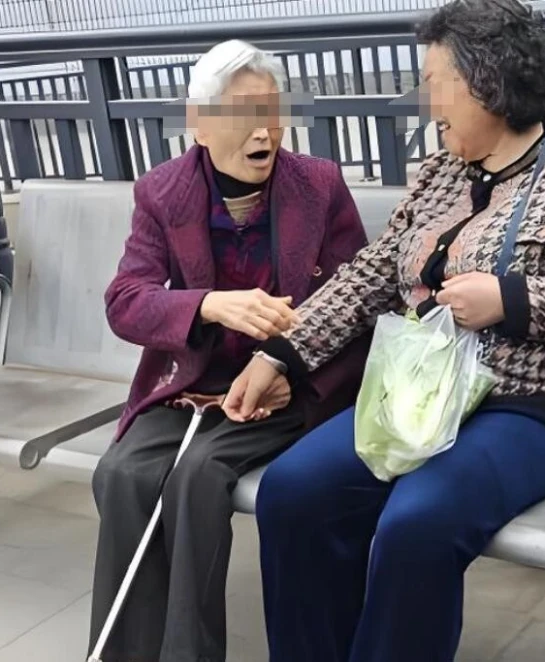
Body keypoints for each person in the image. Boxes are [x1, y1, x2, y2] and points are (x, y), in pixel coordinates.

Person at [233, 2, 545, 660]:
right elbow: (371, 273)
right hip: (419, 392)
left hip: (531, 404)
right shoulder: (440, 173)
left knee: (417, 522)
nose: (427, 101)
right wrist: (280, 354)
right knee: (294, 491)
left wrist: (512, 298)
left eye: (435, 81)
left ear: (488, 81)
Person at [89, 40, 371, 662]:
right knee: (121, 474)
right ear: (200, 123)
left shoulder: (318, 185)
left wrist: (292, 360)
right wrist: (208, 305)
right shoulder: (163, 191)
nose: (263, 132)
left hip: (281, 389)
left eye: (272, 113)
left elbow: (358, 302)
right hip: (192, 385)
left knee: (197, 478)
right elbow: (125, 300)